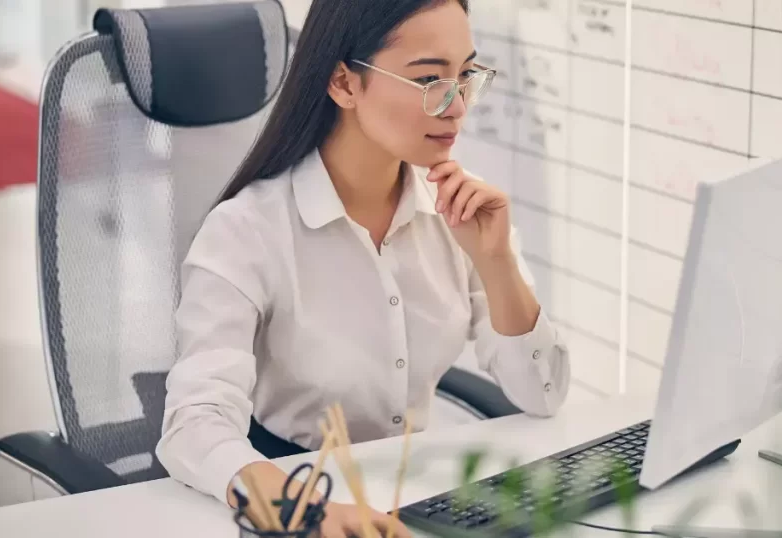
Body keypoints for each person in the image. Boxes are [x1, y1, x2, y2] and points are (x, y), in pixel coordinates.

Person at [155, 0, 571, 536]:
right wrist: (303, 512)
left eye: (465, 75)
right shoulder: (246, 232)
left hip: (419, 498)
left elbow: (543, 394)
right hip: (298, 500)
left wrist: (497, 264)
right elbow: (193, 424)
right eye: (429, 79)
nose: (457, 105)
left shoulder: (458, 211)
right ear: (344, 83)